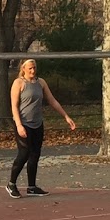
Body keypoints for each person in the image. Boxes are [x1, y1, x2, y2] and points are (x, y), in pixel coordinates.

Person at [6, 57, 75, 197]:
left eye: (34, 68)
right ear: (23, 69)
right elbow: (14, 106)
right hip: (23, 123)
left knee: (35, 154)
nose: (32, 70)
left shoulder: (41, 82)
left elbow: (52, 101)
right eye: (30, 68)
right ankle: (11, 184)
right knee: (24, 153)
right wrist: (19, 125)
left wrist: (66, 116)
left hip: (37, 123)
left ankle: (32, 187)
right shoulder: (18, 83)